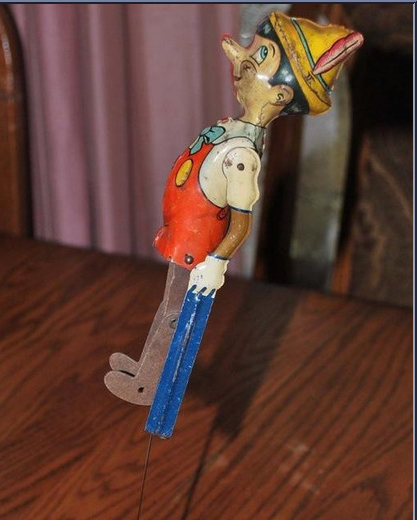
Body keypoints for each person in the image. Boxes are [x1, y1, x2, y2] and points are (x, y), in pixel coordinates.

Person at [105, 11, 363, 405]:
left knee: (174, 311)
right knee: (168, 305)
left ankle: (148, 386)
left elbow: (241, 224)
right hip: (184, 230)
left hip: (197, 243)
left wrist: (217, 263)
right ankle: (145, 371)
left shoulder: (243, 155)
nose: (241, 60)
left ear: (280, 95)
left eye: (260, 56)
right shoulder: (232, 130)